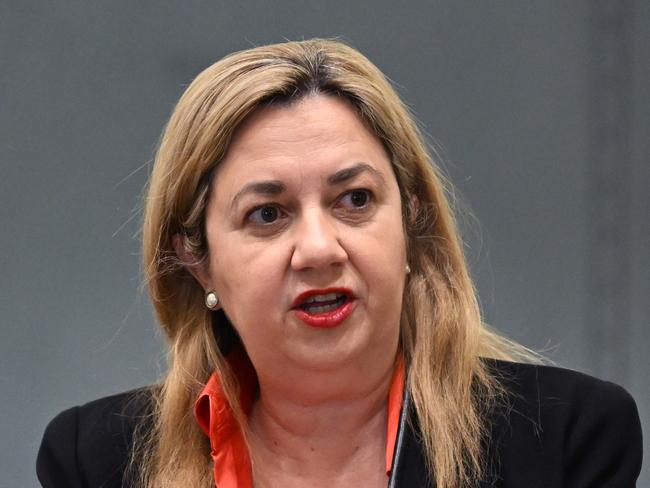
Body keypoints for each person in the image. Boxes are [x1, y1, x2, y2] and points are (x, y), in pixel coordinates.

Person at [36, 38, 642, 488]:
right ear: (198, 261)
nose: (321, 249)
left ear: (412, 222)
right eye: (267, 214)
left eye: (355, 200)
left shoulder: (566, 438)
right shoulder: (96, 460)